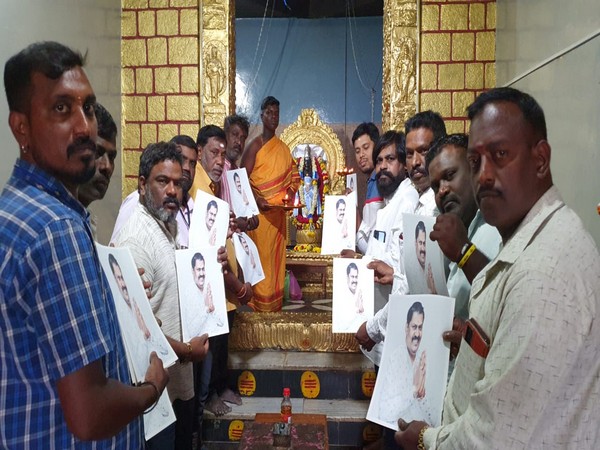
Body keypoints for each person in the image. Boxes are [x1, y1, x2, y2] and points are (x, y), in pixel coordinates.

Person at [396, 88, 600, 449]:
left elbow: (497, 435)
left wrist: (427, 439)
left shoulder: (544, 272)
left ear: (540, 160)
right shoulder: (525, 243)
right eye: (476, 162)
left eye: (500, 155)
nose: (484, 176)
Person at [0, 41, 168, 448]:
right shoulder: (56, 228)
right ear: (21, 127)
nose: (84, 128)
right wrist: (151, 388)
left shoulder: (13, 209)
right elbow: (90, 413)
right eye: (61, 109)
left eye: (87, 108)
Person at [112, 142, 210, 450]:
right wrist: (186, 351)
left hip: (176, 383)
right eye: (162, 181)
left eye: (177, 183)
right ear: (142, 184)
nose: (172, 191)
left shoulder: (166, 226)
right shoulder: (136, 238)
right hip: (153, 389)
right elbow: (136, 328)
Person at [191, 125, 251, 431]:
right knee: (210, 346)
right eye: (213, 153)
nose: (219, 160)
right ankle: (209, 396)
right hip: (210, 281)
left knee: (222, 339)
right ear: (200, 152)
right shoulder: (195, 187)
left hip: (224, 280)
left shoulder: (215, 187)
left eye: (222, 154)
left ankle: (221, 388)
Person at [426, 133, 501, 322]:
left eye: (449, 175)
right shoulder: (445, 228)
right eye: (435, 186)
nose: (442, 190)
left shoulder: (500, 227)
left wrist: (464, 251)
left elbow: (506, 298)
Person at [241, 96, 300, 312]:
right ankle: (259, 305)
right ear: (262, 115)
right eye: (269, 113)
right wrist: (257, 200)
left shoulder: (283, 148)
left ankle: (274, 305)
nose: (274, 117)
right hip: (260, 218)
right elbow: (241, 179)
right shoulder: (254, 146)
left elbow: (294, 177)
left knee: (276, 263)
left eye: (276, 113)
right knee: (262, 262)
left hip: (278, 216)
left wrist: (290, 195)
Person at [111, 135, 198, 248]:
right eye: (182, 159)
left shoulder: (192, 204)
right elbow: (116, 249)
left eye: (192, 164)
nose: (186, 167)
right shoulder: (136, 201)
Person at [378, 302, 431, 425]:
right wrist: (414, 390)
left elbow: (431, 415)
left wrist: (421, 396)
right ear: (406, 327)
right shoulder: (396, 358)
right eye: (414, 327)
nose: (417, 334)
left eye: (420, 327)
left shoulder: (422, 361)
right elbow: (385, 412)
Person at [78, 103, 118, 238]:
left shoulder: (83, 220)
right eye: (96, 153)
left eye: (112, 157)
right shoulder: (58, 224)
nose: (106, 166)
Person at [220, 114, 259, 233]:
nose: (239, 142)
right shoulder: (218, 169)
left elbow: (248, 211)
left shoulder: (239, 173)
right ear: (225, 136)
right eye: (235, 135)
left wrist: (252, 218)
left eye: (243, 138)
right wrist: (236, 222)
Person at [405, 110, 446, 215]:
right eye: (409, 153)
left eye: (423, 151)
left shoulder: (443, 204)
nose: (415, 162)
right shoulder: (419, 200)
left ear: (441, 149)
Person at [352, 122, 383, 253]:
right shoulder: (372, 180)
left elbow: (376, 243)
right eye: (357, 151)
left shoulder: (382, 180)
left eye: (366, 147)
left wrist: (354, 215)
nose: (361, 155)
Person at [410, 220, 437, 294]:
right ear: (415, 243)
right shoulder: (410, 273)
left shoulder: (432, 275)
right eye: (420, 243)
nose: (423, 248)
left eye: (424, 243)